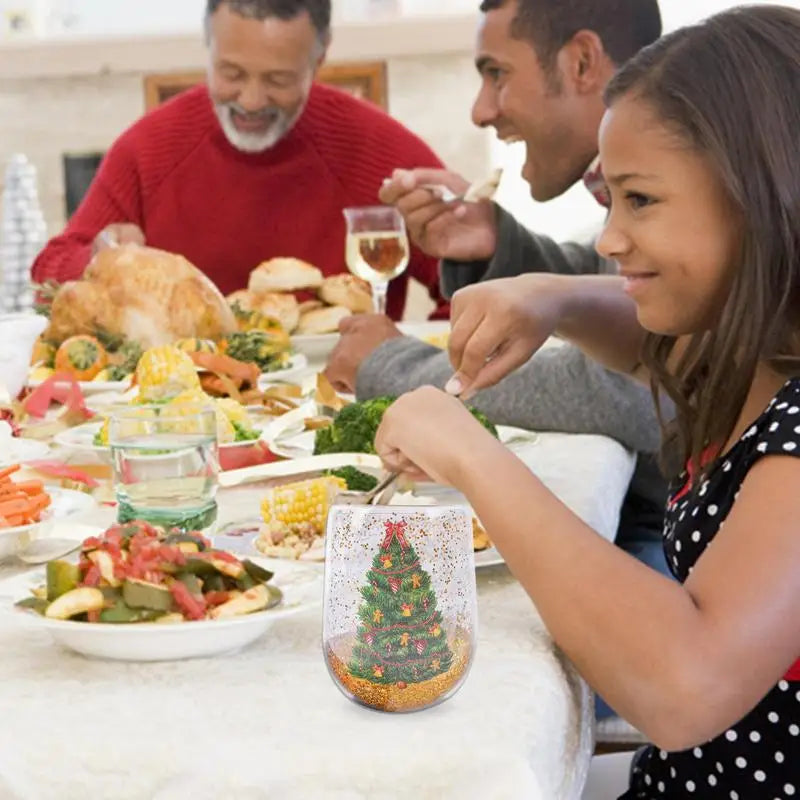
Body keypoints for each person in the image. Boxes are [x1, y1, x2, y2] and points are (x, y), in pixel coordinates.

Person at [375, 5, 800, 797]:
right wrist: (555, 298)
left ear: (759, 200)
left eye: (639, 200)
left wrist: (474, 456)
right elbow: (658, 345)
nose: (608, 238)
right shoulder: (759, 348)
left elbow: (686, 688)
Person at [326, 0, 668, 578]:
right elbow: (615, 288)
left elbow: (637, 386)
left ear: (583, 61)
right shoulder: (649, 177)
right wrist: (499, 247)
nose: (480, 110)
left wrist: (394, 369)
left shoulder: (690, 173)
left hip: (670, 538)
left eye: (497, 74)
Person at [30, 0, 446, 320]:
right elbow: (47, 277)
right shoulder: (150, 148)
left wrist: (417, 376)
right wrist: (97, 258)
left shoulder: (382, 153)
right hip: (181, 413)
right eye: (230, 74)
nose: (250, 101)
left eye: (278, 80)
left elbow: (471, 289)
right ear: (208, 48)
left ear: (318, 60)